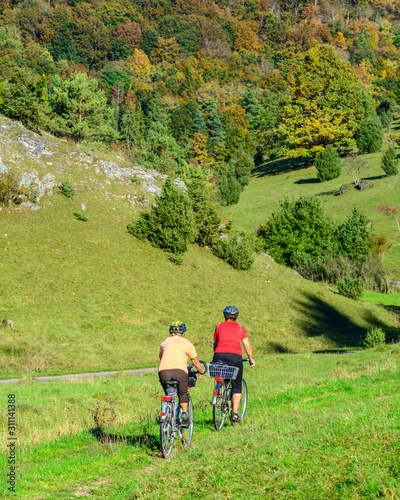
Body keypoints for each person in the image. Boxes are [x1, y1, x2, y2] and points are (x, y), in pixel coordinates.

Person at [212, 306, 255, 423]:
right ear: (236, 316)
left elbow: (215, 343)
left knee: (220, 376)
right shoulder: (240, 328)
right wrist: (251, 359)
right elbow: (247, 346)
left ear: (224, 315)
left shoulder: (219, 326)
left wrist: (216, 355)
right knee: (237, 384)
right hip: (235, 357)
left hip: (219, 355)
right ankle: (234, 413)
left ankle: (219, 390)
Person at [159, 321, 204, 427]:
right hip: (180, 372)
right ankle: (184, 413)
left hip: (163, 372)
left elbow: (161, 357)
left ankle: (168, 416)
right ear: (183, 333)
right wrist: (200, 371)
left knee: (168, 394)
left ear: (171, 332)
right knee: (182, 393)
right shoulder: (187, 343)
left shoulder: (164, 342)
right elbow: (196, 362)